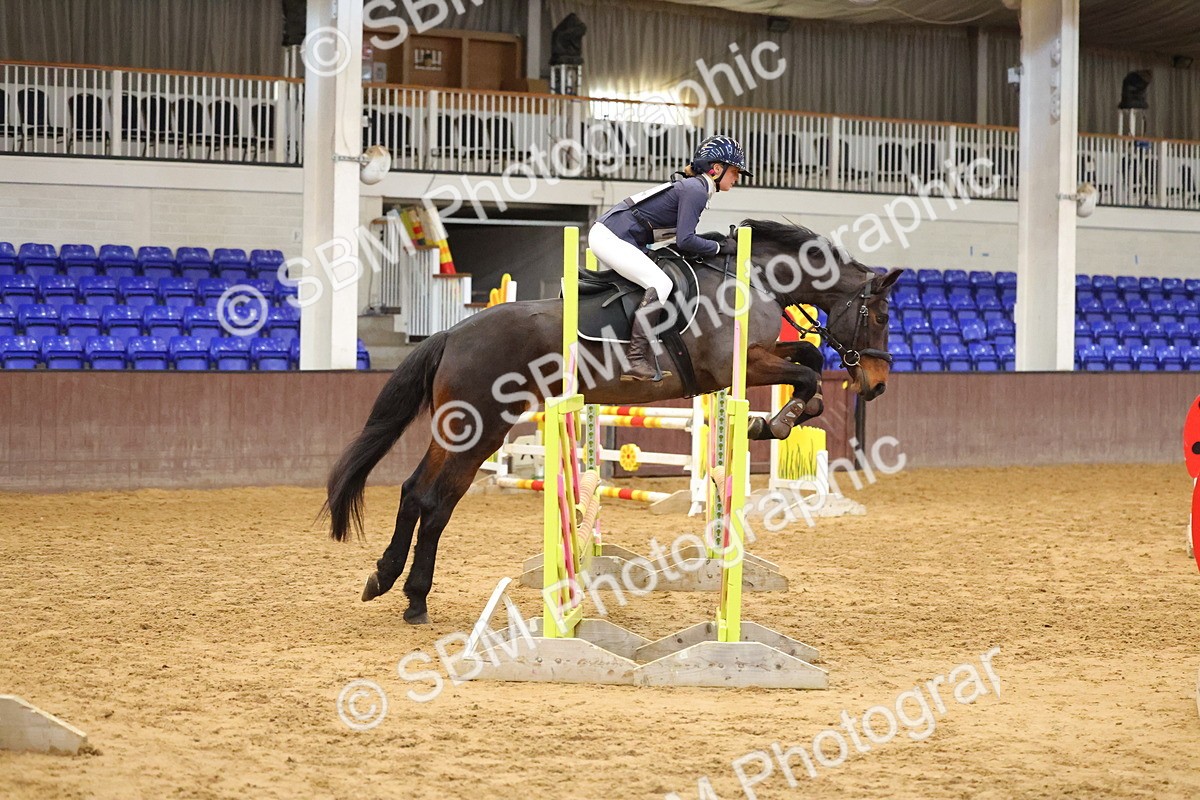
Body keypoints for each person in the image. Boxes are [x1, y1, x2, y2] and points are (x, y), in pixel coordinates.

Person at [588, 135, 751, 382]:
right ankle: (635, 359)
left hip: (621, 237)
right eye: (735, 171)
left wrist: (714, 245)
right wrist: (719, 248)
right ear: (716, 169)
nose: (737, 177)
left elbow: (681, 242)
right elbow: (686, 240)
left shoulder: (697, 187)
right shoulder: (696, 189)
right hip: (612, 236)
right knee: (662, 283)